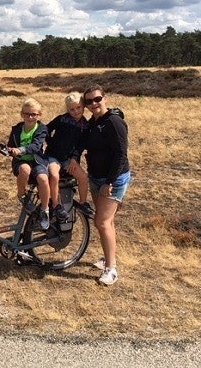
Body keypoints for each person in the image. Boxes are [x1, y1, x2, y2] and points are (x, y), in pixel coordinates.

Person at [83, 84, 131, 286]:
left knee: (101, 222)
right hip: (95, 177)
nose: (94, 104)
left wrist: (110, 182)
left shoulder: (113, 122)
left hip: (114, 179)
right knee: (107, 222)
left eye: (97, 99)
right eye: (89, 101)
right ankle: (107, 257)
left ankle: (111, 269)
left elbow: (121, 154)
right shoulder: (92, 123)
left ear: (105, 98)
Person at [44, 91, 95, 220]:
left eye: (78, 108)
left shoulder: (86, 126)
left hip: (69, 159)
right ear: (68, 109)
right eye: (72, 109)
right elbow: (45, 130)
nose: (76, 111)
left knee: (83, 178)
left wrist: (73, 159)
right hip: (53, 156)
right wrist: (51, 143)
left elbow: (81, 145)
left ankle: (83, 203)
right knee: (54, 175)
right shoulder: (62, 119)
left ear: (83, 106)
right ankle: (56, 205)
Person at [7, 98, 51, 229]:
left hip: (36, 160)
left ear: (39, 115)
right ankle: (22, 195)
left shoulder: (42, 129)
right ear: (22, 114)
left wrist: (20, 149)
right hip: (21, 161)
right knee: (25, 170)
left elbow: (37, 146)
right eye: (27, 114)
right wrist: (9, 150)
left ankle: (44, 210)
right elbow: (10, 146)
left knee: (43, 179)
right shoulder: (17, 129)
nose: (30, 117)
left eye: (34, 114)